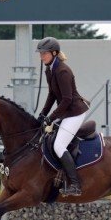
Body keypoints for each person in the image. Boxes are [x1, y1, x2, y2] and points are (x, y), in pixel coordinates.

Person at [36, 37, 89, 196]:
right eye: (40, 53)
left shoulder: (62, 71)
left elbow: (66, 99)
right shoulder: (49, 69)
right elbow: (52, 94)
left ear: (54, 53)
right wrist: (42, 114)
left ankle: (75, 185)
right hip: (66, 111)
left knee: (59, 146)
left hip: (75, 112)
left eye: (44, 54)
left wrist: (50, 118)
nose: (41, 57)